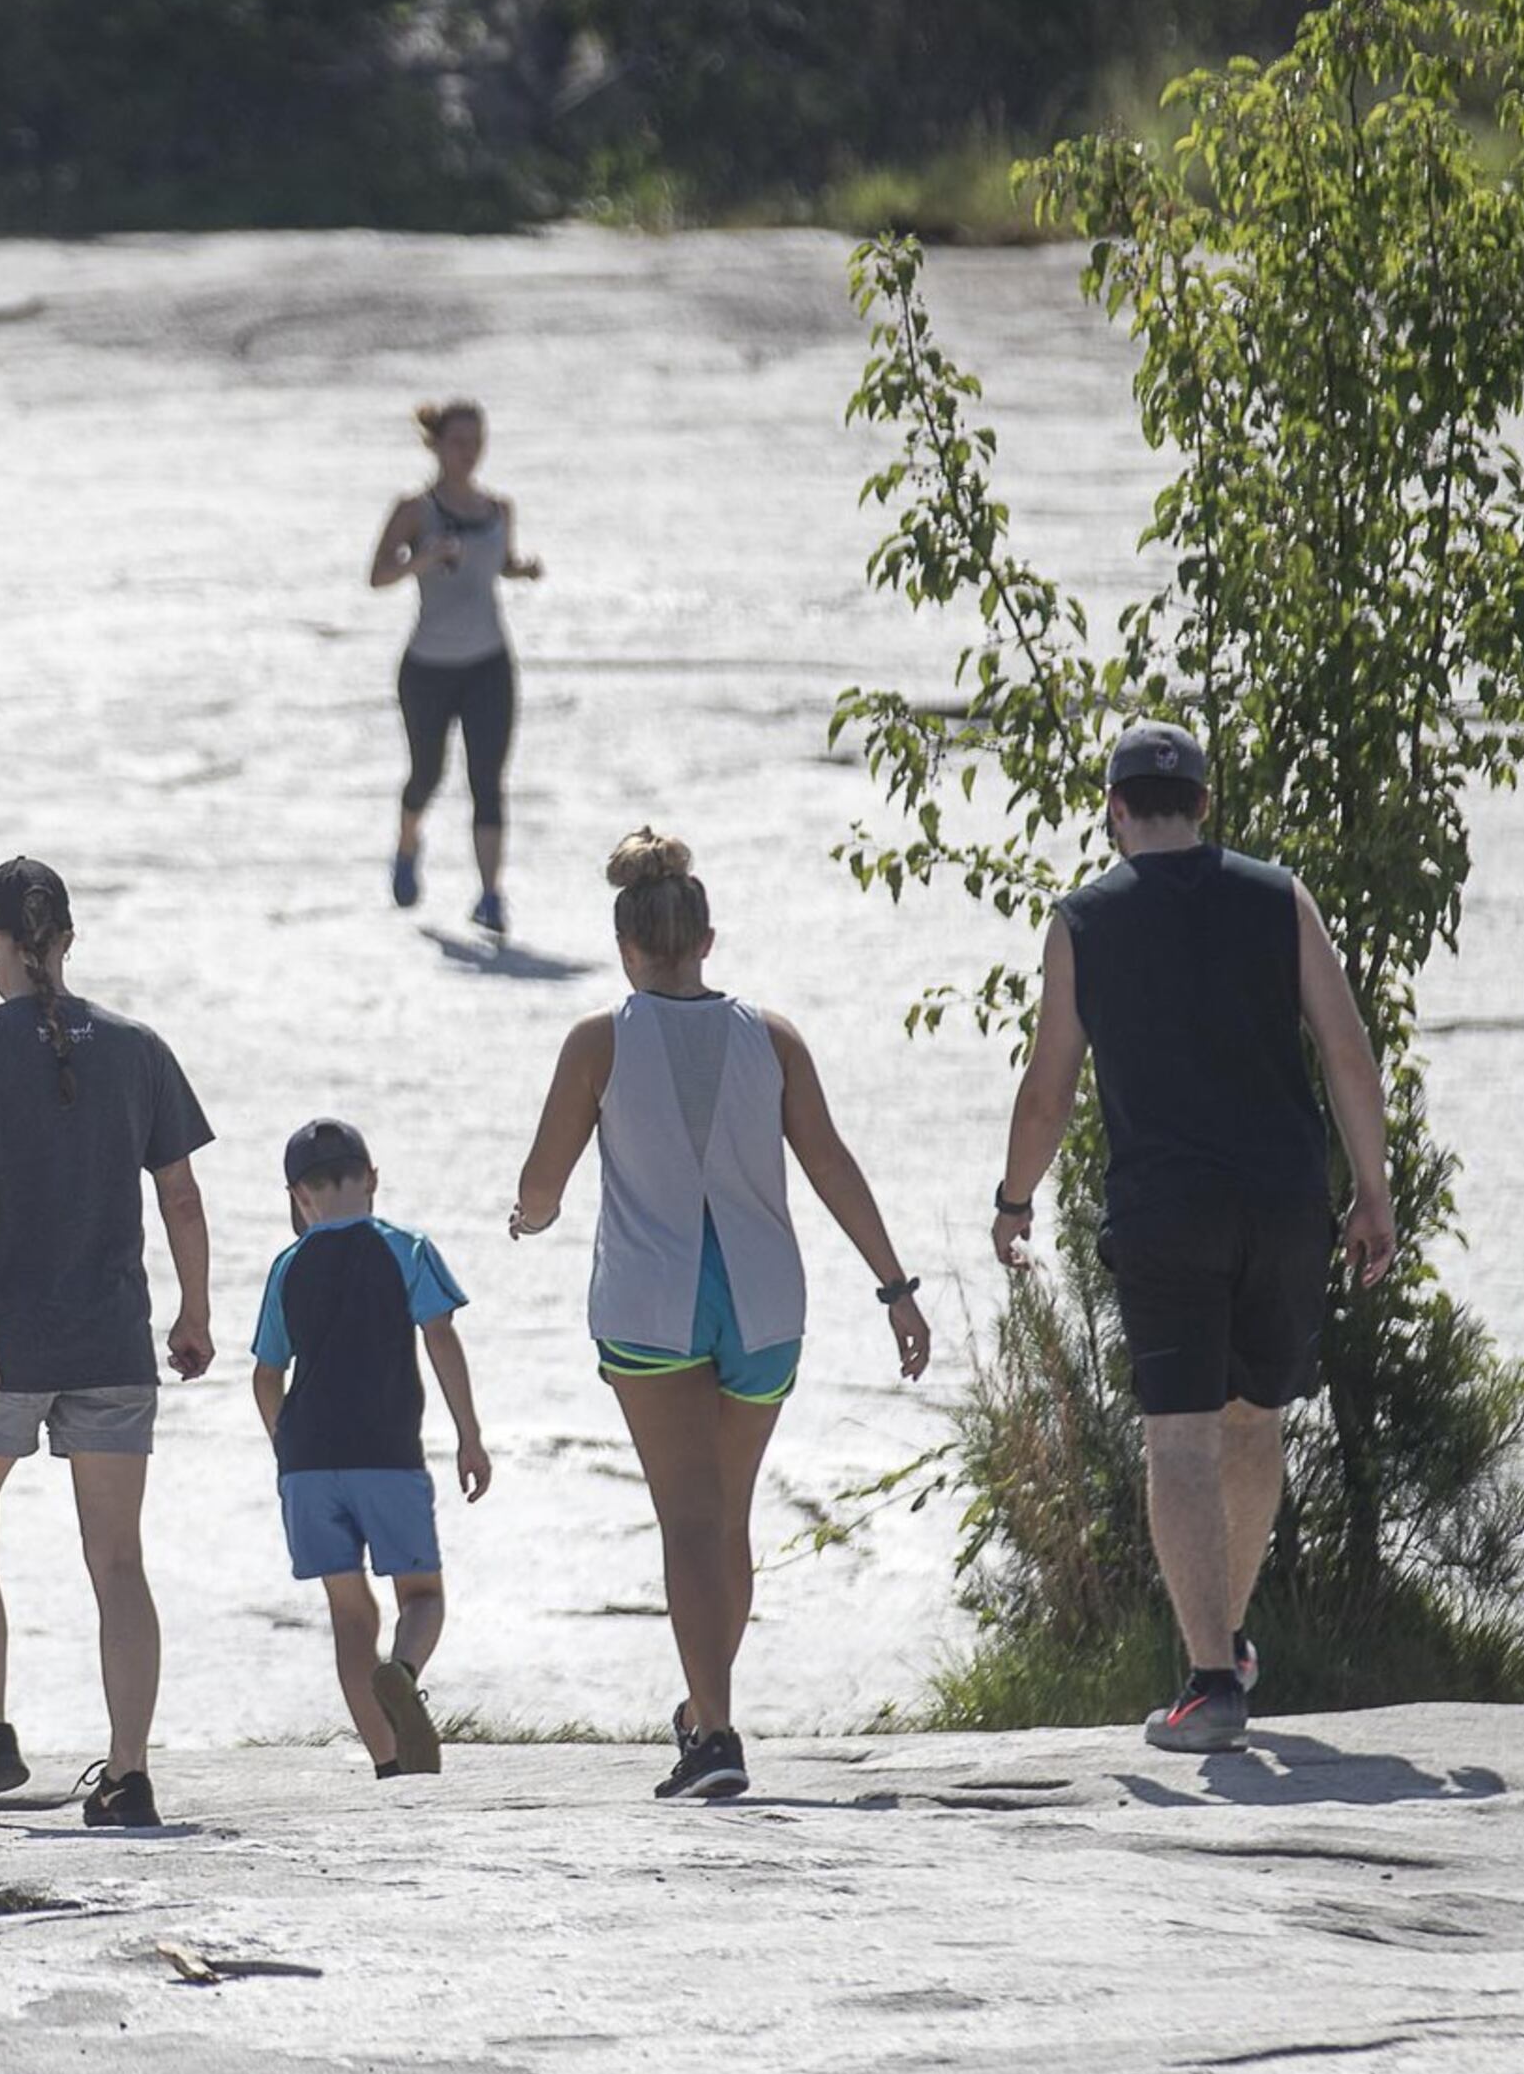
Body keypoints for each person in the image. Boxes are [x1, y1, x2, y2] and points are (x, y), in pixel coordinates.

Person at [991, 721, 1396, 1753]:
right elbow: (1347, 1052)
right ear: (1204, 805)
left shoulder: (1083, 919)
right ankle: (1230, 1642)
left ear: (1114, 809)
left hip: (1168, 1213)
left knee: (1178, 1437)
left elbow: (1049, 1086)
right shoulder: (1280, 896)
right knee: (1255, 1418)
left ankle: (1211, 1680)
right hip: (1284, 1203)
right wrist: (1374, 1191)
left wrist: (1014, 1196)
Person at [509, 831, 931, 1801]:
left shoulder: (597, 1041)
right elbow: (829, 1162)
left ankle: (715, 1738)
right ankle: (704, 1713)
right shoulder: (771, 1036)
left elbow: (543, 1186)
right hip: (764, 1304)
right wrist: (895, 1289)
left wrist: (527, 1219)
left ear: (626, 945)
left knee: (687, 1521)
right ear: (707, 937)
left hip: (653, 1304)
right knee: (726, 1518)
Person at [0, 856, 217, 1830]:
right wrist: (195, 1311)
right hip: (110, 1342)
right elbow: (179, 1192)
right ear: (70, 943)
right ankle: (129, 1774)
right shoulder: (138, 1047)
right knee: (118, 1562)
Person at [248, 1117, 491, 1780]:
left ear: (300, 1196)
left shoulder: (287, 1267)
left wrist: (286, 1451)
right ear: (372, 1178)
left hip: (307, 1466)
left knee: (350, 1615)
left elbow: (266, 1375)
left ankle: (391, 1763)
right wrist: (469, 1434)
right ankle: (404, 1674)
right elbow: (440, 1337)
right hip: (386, 1453)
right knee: (421, 1597)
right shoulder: (407, 1250)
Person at [366, 398, 545, 937]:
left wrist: (521, 569)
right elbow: (376, 574)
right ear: (438, 446)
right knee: (428, 773)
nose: (469, 453)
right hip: (428, 667)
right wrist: (422, 558)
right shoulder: (415, 510)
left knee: (487, 779)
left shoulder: (499, 509)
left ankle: (490, 895)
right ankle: (406, 845)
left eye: (476, 442)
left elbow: (500, 562)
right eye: (458, 442)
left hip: (489, 662)